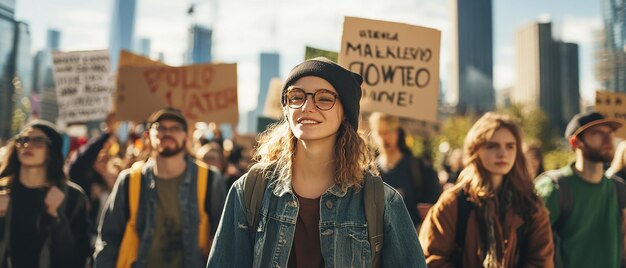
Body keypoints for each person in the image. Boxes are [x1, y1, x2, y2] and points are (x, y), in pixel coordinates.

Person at [207, 57, 426, 267]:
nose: (307, 106)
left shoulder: (382, 201)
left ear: (345, 113)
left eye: (324, 98)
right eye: (296, 96)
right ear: (286, 109)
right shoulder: (249, 190)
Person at [94, 107, 227, 268]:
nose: (167, 133)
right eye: (160, 127)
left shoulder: (210, 180)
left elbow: (223, 241)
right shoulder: (129, 180)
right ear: (148, 136)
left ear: (186, 137)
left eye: (175, 128)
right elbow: (109, 239)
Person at [419, 112, 553, 267]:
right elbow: (431, 258)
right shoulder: (454, 201)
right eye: (492, 146)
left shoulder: (531, 204)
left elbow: (541, 261)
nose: (503, 153)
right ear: (475, 150)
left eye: (510, 146)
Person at [535, 111, 626, 267]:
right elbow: (532, 248)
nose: (608, 139)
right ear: (576, 143)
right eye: (596, 133)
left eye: (610, 132)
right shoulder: (554, 187)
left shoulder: (619, 189)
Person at [0, 120, 91, 267]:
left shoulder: (72, 197)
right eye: (23, 140)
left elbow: (76, 258)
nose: (27, 145)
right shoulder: (2, 192)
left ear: (52, 150)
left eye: (38, 141)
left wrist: (56, 216)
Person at [368, 112, 441, 228]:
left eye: (389, 131)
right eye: (380, 133)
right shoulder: (369, 171)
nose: (385, 137)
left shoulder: (418, 167)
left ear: (398, 132)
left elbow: (436, 205)